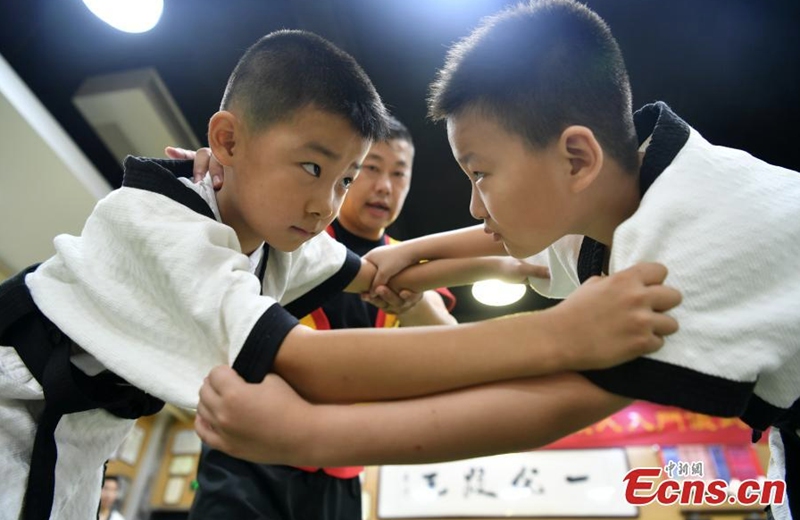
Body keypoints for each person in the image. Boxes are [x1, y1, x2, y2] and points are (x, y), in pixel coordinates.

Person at [0, 27, 681, 520]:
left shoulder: (283, 235)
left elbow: (383, 269)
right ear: (228, 141)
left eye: (345, 176)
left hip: (77, 442)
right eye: (311, 167)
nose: (327, 201)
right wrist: (560, 334)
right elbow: (311, 362)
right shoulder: (161, 226)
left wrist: (514, 255)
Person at [194, 2, 798, 519]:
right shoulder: (635, 184)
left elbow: (543, 406)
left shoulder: (690, 245)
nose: (474, 202)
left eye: (481, 173)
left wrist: (299, 433)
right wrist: (397, 259)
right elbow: (494, 241)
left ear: (576, 158)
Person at [169, 115, 459, 519]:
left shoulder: (414, 265)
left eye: (399, 174)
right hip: (248, 454)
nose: (384, 187)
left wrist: (412, 297)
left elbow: (450, 351)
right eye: (371, 169)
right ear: (347, 169)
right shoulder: (289, 229)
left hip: (340, 468)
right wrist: (226, 171)